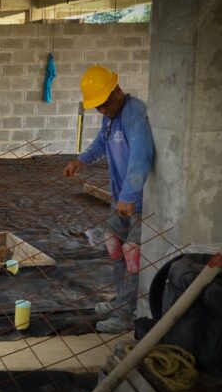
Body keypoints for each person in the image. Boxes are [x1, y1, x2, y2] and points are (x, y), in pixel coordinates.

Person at [63, 65, 155, 333]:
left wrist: (130, 194)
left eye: (104, 104)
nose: (102, 110)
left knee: (132, 254)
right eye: (98, 107)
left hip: (138, 201)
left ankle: (127, 315)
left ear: (117, 89)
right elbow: (101, 143)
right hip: (120, 199)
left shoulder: (134, 112)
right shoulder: (110, 117)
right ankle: (120, 300)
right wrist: (81, 160)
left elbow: (142, 154)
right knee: (114, 244)